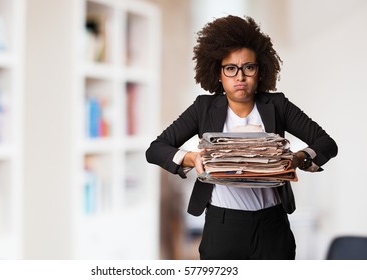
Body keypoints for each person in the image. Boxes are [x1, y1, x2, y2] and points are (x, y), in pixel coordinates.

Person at [145, 15, 338, 260]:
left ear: (260, 71)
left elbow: (326, 144)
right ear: (218, 73)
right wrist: (191, 158)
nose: (240, 77)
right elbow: (155, 149)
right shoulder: (203, 107)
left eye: (248, 67)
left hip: (272, 226)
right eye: (230, 68)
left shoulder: (277, 105)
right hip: (223, 225)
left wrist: (297, 159)